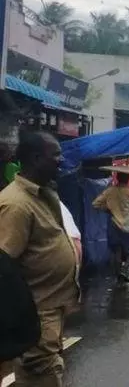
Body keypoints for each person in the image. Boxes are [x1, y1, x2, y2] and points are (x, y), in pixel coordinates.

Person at [0, 131, 79, 386]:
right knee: (43, 375)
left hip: (51, 308)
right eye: (54, 154)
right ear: (35, 158)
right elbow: (4, 267)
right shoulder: (16, 204)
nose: (61, 160)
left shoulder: (43, 194)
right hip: (36, 314)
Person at [92, 172, 129, 282]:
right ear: (128, 179)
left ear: (118, 179)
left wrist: (107, 209)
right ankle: (124, 269)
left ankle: (118, 276)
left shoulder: (109, 191)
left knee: (117, 251)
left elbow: (95, 204)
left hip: (114, 225)